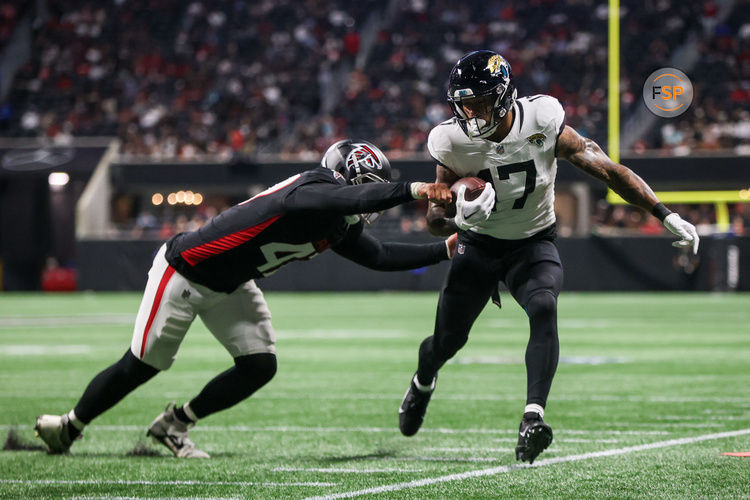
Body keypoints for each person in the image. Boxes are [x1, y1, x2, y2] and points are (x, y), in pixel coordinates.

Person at [35, 139, 455, 458]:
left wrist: (444, 250)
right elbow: (346, 198)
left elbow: (379, 256)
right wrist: (416, 189)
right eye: (365, 186)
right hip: (186, 270)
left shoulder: (337, 224)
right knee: (143, 364)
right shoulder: (312, 188)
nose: (368, 199)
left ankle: (175, 424)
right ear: (341, 175)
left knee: (259, 364)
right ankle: (69, 427)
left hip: (232, 283)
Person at [397, 50, 699, 464]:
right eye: (463, 104)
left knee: (543, 306)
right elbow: (434, 216)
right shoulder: (450, 140)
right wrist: (455, 215)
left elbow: (608, 170)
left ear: (504, 97)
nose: (470, 113)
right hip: (478, 245)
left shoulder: (542, 120)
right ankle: (423, 379)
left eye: (479, 103)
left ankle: (532, 417)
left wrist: (665, 214)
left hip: (532, 241)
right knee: (448, 341)